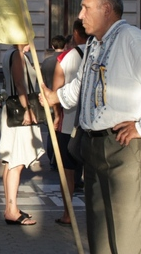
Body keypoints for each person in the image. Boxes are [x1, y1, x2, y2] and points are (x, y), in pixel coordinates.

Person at [41, 0, 141, 253]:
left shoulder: (132, 39)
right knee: (100, 228)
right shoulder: (95, 44)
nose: (80, 15)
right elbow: (82, 85)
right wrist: (55, 97)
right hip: (93, 147)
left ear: (106, 10)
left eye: (85, 8)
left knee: (127, 230)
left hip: (122, 146)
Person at [0, 45, 44, 226]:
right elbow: (19, 83)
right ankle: (11, 210)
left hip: (12, 111)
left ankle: (11, 207)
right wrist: (28, 109)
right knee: (17, 162)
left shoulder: (10, 53)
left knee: (11, 162)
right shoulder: (17, 54)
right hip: (19, 112)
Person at [52, 19, 87, 226]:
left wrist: (57, 116)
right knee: (92, 170)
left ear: (75, 33)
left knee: (68, 172)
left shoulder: (65, 57)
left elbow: (56, 92)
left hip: (68, 124)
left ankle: (67, 213)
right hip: (95, 123)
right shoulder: (102, 53)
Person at [41, 35, 66, 169]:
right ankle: (60, 159)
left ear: (52, 46)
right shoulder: (66, 58)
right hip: (63, 100)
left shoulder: (46, 62)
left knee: (51, 131)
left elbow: (41, 81)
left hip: (49, 99)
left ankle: (52, 158)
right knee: (63, 131)